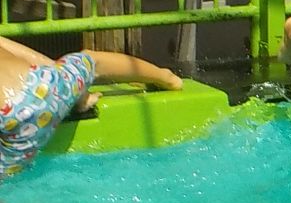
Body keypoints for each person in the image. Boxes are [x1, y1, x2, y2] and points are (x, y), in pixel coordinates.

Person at [0, 37, 183, 178]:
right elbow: (34, 59)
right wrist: (71, 89)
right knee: (92, 61)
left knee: (7, 180)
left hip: (10, 120)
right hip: (42, 86)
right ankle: (166, 77)